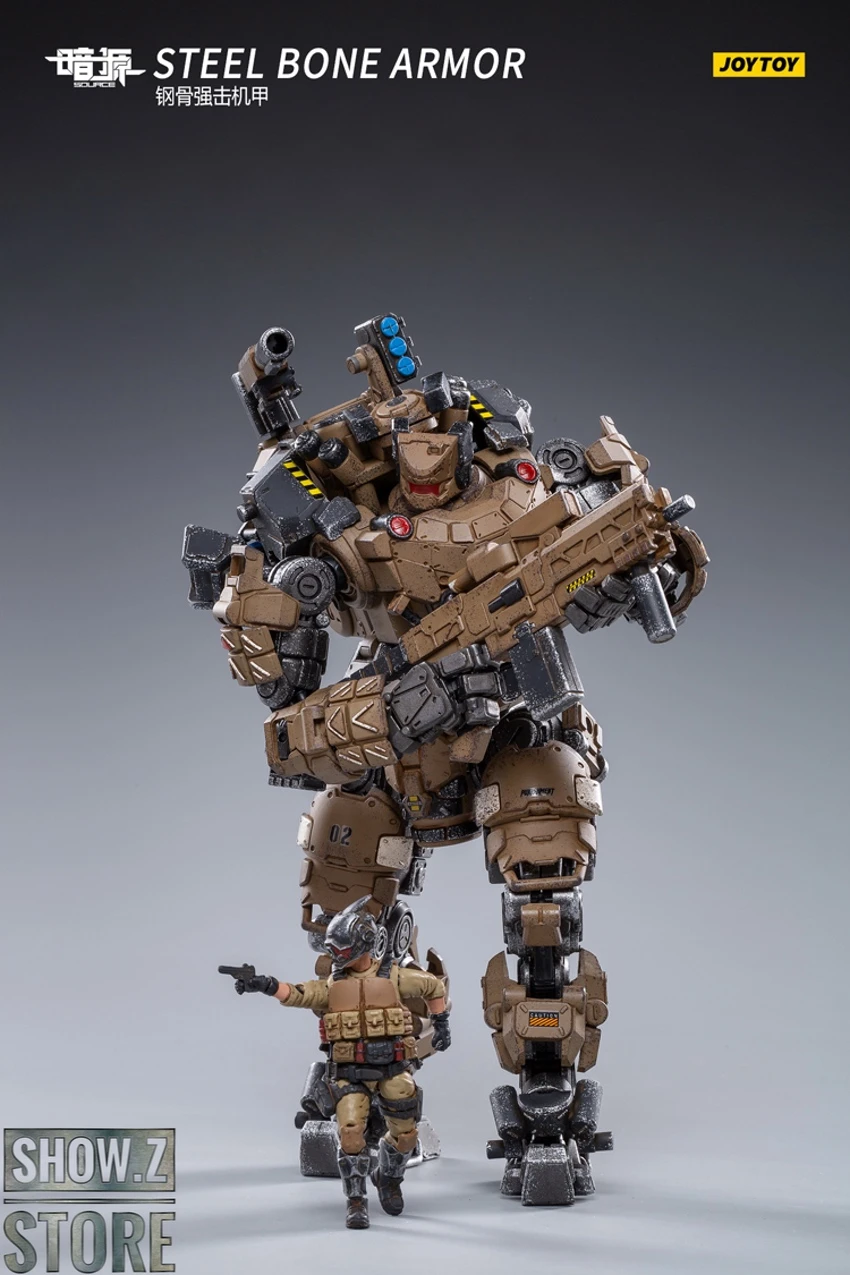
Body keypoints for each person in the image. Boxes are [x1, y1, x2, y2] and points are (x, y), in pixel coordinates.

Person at [220, 896, 450, 1229]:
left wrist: (441, 1024)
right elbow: (298, 993)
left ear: (363, 943)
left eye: (342, 949)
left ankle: (388, 1178)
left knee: (406, 1136)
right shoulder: (333, 984)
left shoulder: (395, 976)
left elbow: (433, 986)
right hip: (349, 1073)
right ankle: (356, 1200)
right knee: (351, 1134)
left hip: (392, 1068)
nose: (337, 956)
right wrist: (266, 985)